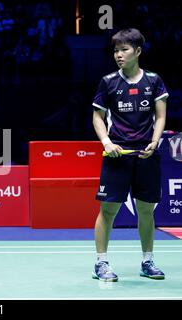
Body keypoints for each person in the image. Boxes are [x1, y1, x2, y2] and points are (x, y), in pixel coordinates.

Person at [92, 28, 168, 282]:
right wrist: (106, 142)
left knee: (146, 211)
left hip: (146, 155)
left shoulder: (154, 81)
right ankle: (101, 263)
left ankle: (148, 261)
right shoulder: (108, 82)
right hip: (117, 155)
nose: (118, 55)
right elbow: (98, 117)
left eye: (124, 49)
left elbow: (160, 116)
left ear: (137, 51)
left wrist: (155, 142)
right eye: (115, 50)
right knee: (108, 211)